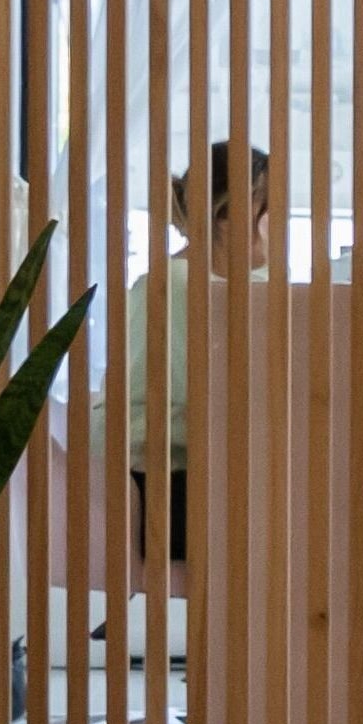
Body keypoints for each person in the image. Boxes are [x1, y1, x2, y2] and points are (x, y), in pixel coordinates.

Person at [121, 140, 273, 562]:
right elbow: (230, 403)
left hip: (175, 480)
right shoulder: (190, 289)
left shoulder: (188, 281)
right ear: (233, 217)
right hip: (172, 490)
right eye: (271, 210)